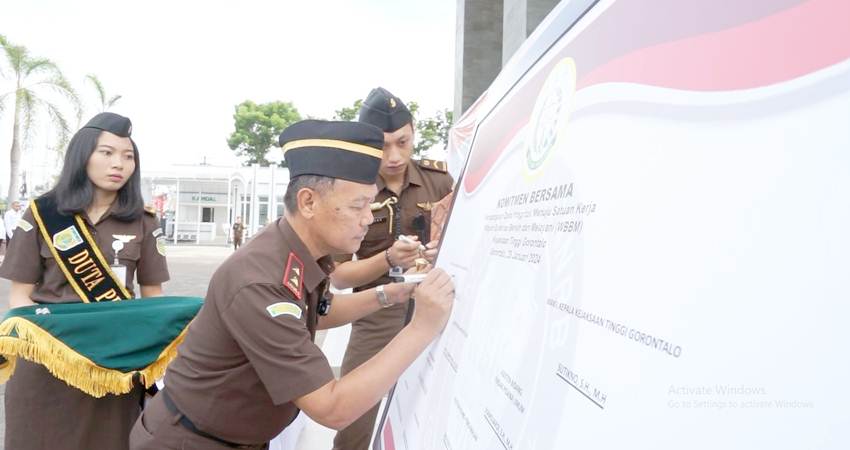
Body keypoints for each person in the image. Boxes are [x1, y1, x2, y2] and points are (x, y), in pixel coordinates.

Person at [129, 119, 454, 449]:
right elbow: (332, 407)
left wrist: (391, 294)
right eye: (357, 206)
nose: (368, 218)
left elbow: (319, 312)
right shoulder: (260, 281)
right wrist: (422, 326)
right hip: (189, 442)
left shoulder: (296, 250)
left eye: (369, 205)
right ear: (308, 202)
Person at [0, 112, 170, 450]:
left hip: (114, 363)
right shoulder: (44, 214)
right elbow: (19, 298)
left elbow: (154, 298)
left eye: (128, 156)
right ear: (83, 156)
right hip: (48, 361)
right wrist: (58, 346)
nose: (118, 163)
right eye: (107, 153)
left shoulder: (145, 221)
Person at [330, 87, 454, 450]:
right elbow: (339, 276)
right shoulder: (351, 188)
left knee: (432, 412)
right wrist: (388, 259)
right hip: (376, 314)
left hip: (435, 308)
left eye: (403, 142)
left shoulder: (439, 180)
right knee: (355, 422)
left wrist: (442, 251)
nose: (395, 156)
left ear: (414, 132)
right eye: (383, 146)